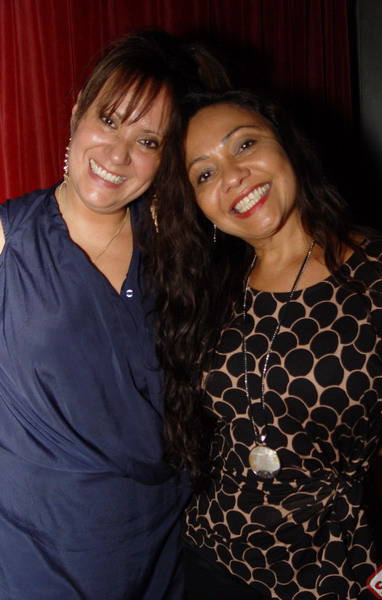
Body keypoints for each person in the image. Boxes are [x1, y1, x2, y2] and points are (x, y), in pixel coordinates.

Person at [150, 90, 382, 600]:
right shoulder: (209, 287)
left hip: (333, 573)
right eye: (204, 174)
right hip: (207, 556)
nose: (232, 176)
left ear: (287, 144)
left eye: (245, 145)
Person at [0, 30, 229, 599]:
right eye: (109, 120)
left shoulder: (178, 251)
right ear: (78, 112)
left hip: (164, 547)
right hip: (36, 556)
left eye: (147, 140)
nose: (118, 154)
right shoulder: (8, 238)